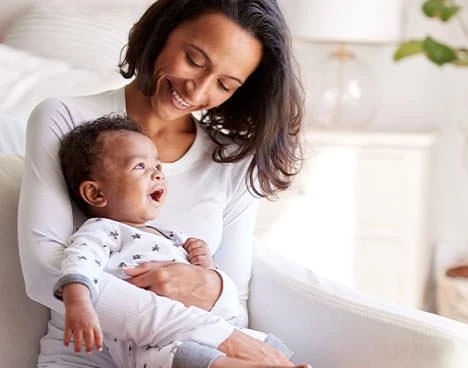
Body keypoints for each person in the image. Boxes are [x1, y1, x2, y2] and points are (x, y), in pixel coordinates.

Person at [17, 1, 303, 367]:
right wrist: (218, 335)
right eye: (195, 60)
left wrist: (212, 288)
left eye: (224, 84)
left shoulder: (231, 161)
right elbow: (46, 275)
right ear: (163, 31)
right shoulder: (67, 119)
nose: (197, 90)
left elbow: (236, 308)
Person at [56, 115, 306, 368]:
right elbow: (78, 264)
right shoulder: (100, 230)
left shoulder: (172, 236)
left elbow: (203, 289)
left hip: (206, 329)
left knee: (269, 344)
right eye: (140, 167)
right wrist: (79, 304)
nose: (156, 174)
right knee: (187, 357)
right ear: (95, 193)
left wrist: (204, 263)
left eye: (158, 167)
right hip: (152, 344)